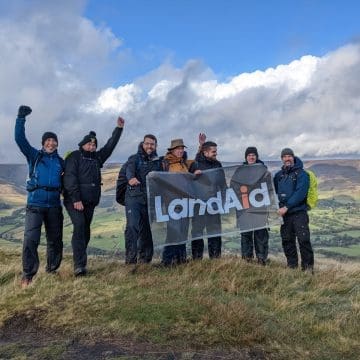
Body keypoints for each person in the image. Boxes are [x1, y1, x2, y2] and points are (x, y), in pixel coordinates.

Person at [63, 117, 124, 276]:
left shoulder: (97, 158)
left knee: (86, 230)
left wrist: (118, 129)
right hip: (74, 200)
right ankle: (79, 266)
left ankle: (80, 260)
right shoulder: (74, 157)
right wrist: (76, 199)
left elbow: (110, 146)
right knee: (80, 226)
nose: (92, 146)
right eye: (89, 144)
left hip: (90, 201)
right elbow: (69, 178)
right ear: (82, 144)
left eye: (94, 144)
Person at [15, 105, 64, 287]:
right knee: (30, 240)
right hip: (35, 204)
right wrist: (21, 118)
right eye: (48, 140)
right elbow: (20, 140)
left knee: (55, 240)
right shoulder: (34, 156)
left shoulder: (61, 162)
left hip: (54, 206)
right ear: (43, 143)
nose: (51, 143)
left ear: (57, 144)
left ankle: (52, 270)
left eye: (54, 141)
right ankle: (28, 274)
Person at [161, 135, 206, 266]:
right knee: (173, 232)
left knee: (183, 231)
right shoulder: (165, 163)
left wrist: (201, 146)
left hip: (185, 203)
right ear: (172, 150)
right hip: (172, 203)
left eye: (182, 148)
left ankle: (180, 260)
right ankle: (167, 261)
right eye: (177, 149)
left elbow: (196, 160)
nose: (180, 151)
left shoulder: (184, 163)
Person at [124, 134, 163, 264]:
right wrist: (131, 178)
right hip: (134, 198)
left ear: (156, 146)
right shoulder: (134, 159)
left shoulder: (158, 162)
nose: (149, 146)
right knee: (132, 227)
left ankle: (145, 260)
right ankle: (130, 260)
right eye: (147, 143)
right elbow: (129, 171)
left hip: (149, 199)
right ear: (143, 144)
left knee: (147, 230)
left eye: (152, 144)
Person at [274, 148, 314, 271]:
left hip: (299, 213)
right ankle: (292, 267)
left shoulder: (302, 174)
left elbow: (300, 193)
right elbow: (275, 192)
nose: (287, 159)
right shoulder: (278, 176)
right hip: (285, 215)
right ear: (282, 159)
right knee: (287, 241)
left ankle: (307, 269)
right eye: (284, 156)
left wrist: (287, 206)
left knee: (303, 240)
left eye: (289, 156)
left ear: (293, 157)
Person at [189, 141, 226, 260]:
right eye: (214, 151)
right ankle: (197, 259)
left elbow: (223, 184)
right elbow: (186, 183)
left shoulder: (218, 165)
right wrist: (193, 175)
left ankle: (215, 259)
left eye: (216, 151)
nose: (216, 153)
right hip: (198, 205)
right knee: (197, 232)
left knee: (215, 232)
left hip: (214, 204)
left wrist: (224, 200)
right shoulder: (195, 164)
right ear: (205, 152)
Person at [239, 147, 269, 265]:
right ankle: (247, 260)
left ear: (256, 157)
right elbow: (234, 187)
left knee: (260, 234)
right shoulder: (240, 171)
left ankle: (261, 259)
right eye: (249, 155)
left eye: (253, 155)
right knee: (246, 235)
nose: (251, 157)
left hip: (260, 208)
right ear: (246, 157)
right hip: (245, 209)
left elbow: (269, 188)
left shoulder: (263, 170)